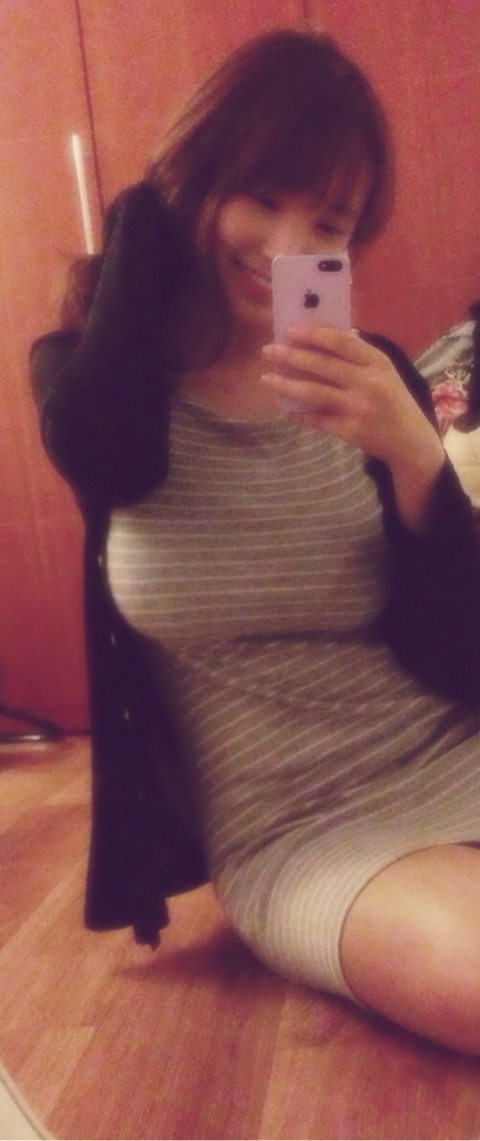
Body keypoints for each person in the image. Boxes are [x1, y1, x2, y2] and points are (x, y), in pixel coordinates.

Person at [30, 29, 480, 1054]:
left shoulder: (373, 380)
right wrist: (141, 220)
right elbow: (99, 447)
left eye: (328, 223)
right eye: (262, 196)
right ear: (195, 179)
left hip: (452, 741)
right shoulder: (103, 382)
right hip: (303, 827)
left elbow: (460, 645)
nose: (287, 247)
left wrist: (419, 461)